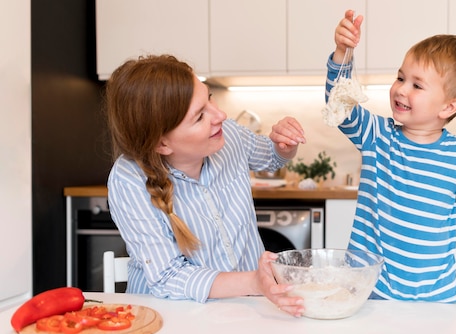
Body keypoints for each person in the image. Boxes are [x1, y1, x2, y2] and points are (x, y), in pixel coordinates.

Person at [105, 54, 306, 316]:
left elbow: (270, 156)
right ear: (162, 144)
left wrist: (284, 144)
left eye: (209, 98)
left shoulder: (228, 135)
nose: (220, 115)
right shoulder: (128, 179)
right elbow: (167, 277)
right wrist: (254, 281)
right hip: (169, 317)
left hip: (247, 310)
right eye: (199, 117)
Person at [327, 10, 456, 302]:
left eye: (416, 85)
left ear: (448, 107)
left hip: (437, 296)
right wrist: (343, 55)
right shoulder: (376, 135)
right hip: (371, 290)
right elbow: (340, 105)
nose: (401, 89)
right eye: (400, 77)